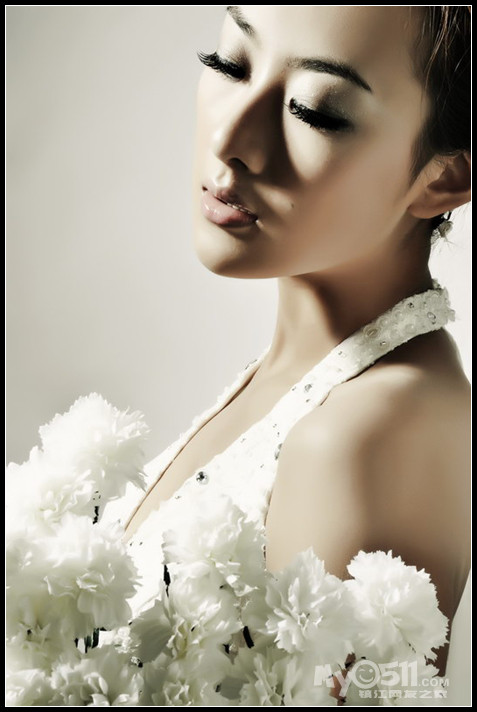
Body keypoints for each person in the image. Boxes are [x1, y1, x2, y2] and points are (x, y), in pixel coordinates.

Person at [119, 5, 470, 692]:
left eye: (316, 111)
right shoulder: (311, 381)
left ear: (442, 179)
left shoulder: (362, 438)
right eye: (230, 64)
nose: (230, 138)